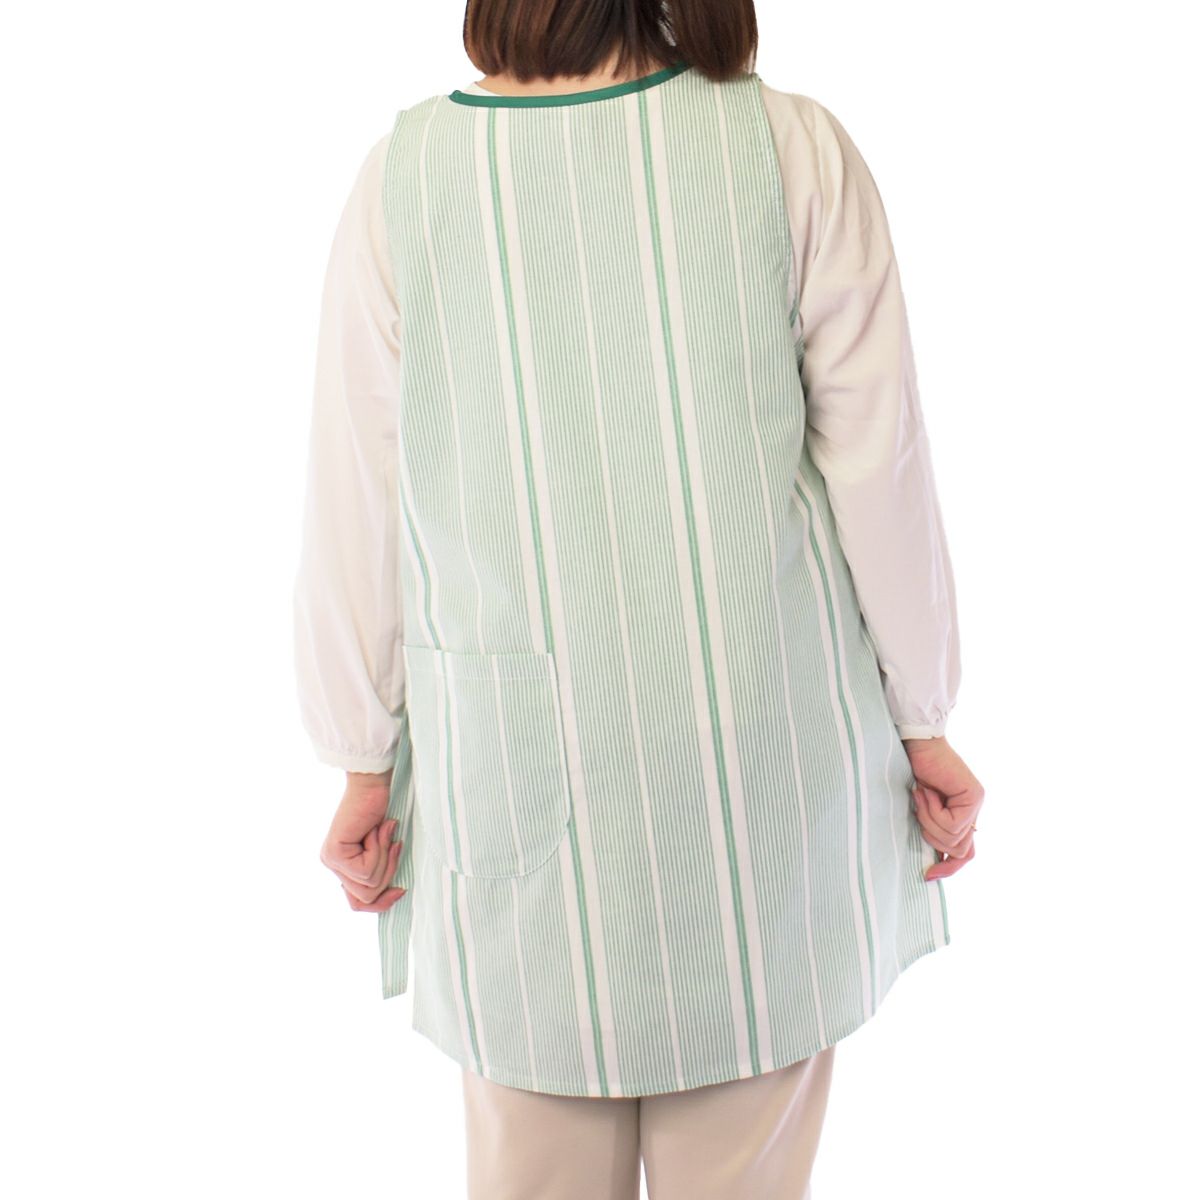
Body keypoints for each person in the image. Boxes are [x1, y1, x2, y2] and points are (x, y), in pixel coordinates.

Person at [292, 1, 986, 1195]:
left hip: (516, 783)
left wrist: (361, 757)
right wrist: (925, 718)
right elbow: (882, 466)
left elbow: (358, 490)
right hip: (764, 787)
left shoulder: (406, 178)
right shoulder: (790, 148)